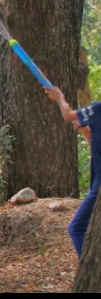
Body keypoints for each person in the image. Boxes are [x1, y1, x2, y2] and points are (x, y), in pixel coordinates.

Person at [44, 86, 100, 259]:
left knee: (76, 228)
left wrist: (60, 97)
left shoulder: (98, 109)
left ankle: (90, 272)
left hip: (99, 187)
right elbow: (96, 146)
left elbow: (68, 115)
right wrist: (85, 132)